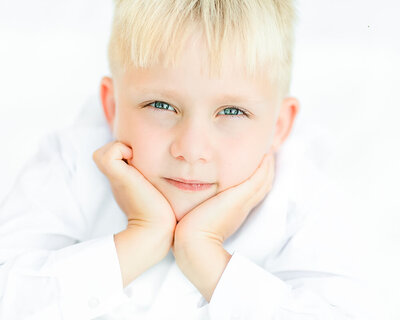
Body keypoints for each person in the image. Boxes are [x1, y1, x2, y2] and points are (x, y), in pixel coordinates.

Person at [0, 0, 377, 319]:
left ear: (279, 126)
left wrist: (206, 254)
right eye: (161, 105)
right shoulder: (70, 162)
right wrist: (141, 237)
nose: (192, 149)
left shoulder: (305, 202)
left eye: (231, 112)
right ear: (112, 106)